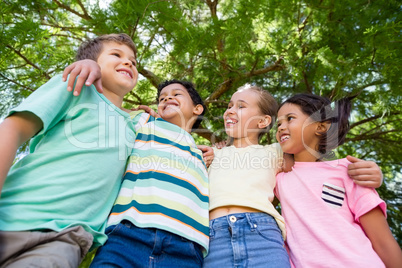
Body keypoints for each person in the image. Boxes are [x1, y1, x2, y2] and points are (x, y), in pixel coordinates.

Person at [203, 85, 384, 268]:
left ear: (263, 121)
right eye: (229, 106)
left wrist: (374, 172)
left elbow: (312, 165)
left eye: (240, 106)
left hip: (262, 233)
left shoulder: (277, 152)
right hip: (213, 236)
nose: (230, 111)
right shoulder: (212, 154)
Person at [0, 33, 139, 267]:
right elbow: (13, 129)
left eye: (134, 62)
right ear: (93, 63)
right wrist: (86, 65)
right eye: (116, 55)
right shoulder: (76, 84)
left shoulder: (137, 126)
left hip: (66, 239)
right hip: (13, 216)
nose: (128, 62)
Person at [275, 93, 402, 267]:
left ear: (320, 127)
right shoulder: (279, 179)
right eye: (278, 124)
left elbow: (383, 242)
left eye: (290, 119)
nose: (281, 127)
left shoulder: (350, 171)